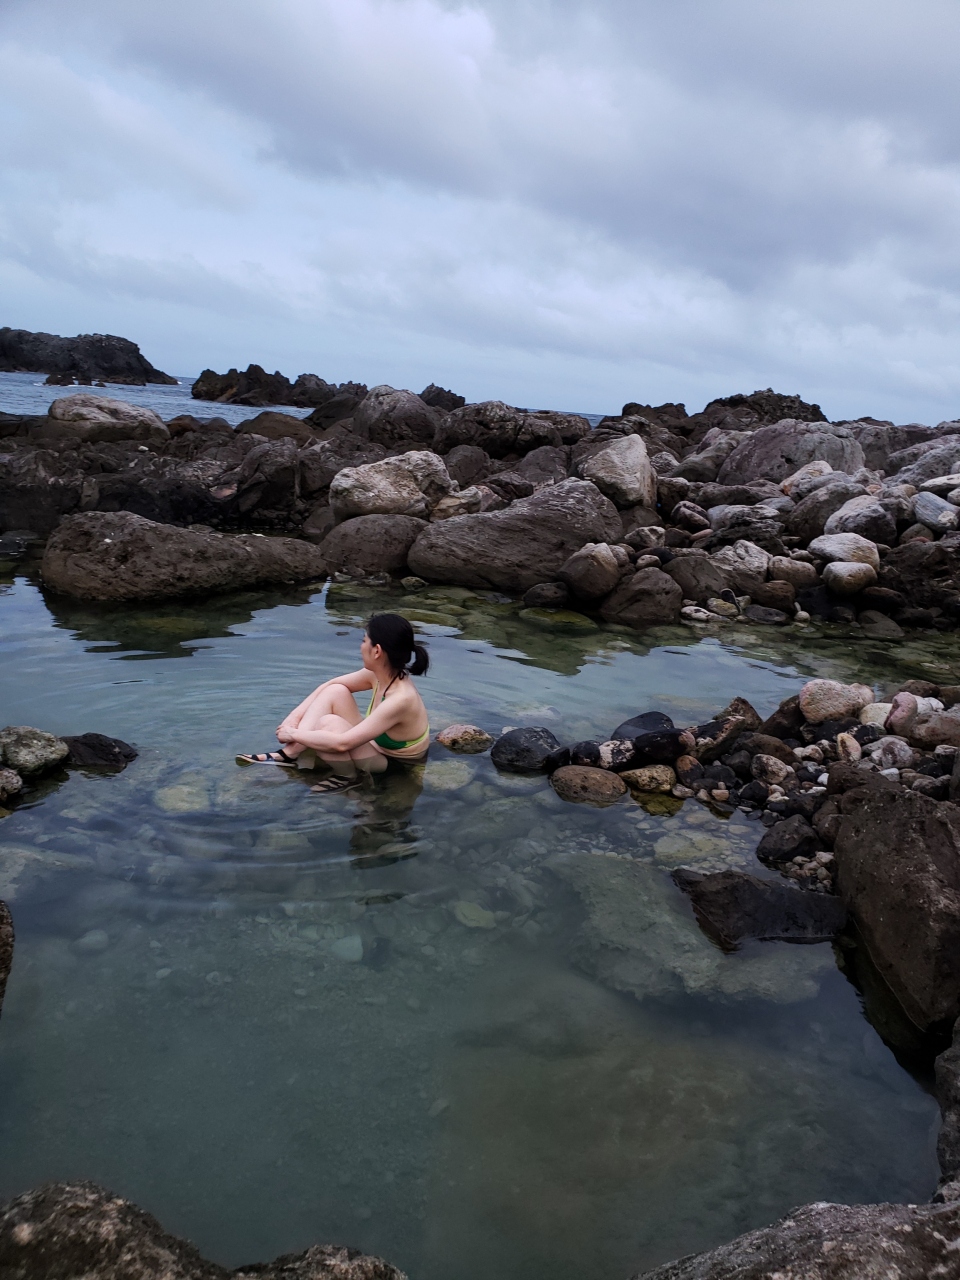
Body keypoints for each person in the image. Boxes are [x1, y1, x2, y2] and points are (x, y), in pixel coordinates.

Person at [236, 613, 430, 793]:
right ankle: (289, 754)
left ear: (377, 651)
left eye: (364, 641)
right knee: (335, 691)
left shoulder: (400, 699)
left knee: (328, 724)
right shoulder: (381, 674)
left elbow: (342, 744)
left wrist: (293, 733)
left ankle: (349, 777)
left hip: (394, 765)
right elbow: (329, 685)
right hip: (374, 747)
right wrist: (294, 718)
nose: (361, 647)